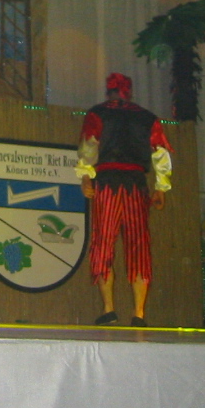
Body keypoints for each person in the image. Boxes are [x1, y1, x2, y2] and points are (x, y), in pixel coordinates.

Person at [75, 73, 173, 327]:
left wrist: (85, 176)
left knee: (103, 243)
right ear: (129, 92)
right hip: (135, 184)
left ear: (108, 91)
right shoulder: (147, 117)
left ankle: (109, 309)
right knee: (138, 246)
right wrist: (161, 187)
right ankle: (138, 313)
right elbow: (160, 152)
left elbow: (89, 146)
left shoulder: (98, 113)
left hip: (107, 183)